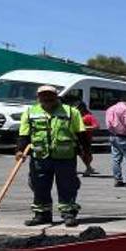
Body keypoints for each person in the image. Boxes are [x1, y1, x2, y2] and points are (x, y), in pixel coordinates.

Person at [17, 86, 88, 227]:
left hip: (65, 157)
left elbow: (81, 133)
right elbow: (24, 134)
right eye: (43, 95)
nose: (47, 98)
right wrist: (20, 150)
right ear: (38, 97)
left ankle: (68, 213)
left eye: (50, 95)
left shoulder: (71, 112)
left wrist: (86, 151)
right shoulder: (30, 112)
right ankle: (42, 214)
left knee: (67, 186)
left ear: (56, 96)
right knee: (39, 186)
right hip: (40, 157)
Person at [105, 95, 126, 188]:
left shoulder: (110, 109)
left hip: (113, 136)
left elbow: (108, 125)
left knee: (116, 159)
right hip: (125, 137)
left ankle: (118, 180)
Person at [75, 100, 98, 176]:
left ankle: (88, 168)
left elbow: (96, 126)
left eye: (77, 108)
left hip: (85, 139)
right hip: (76, 138)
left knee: (85, 154)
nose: (76, 110)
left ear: (82, 108)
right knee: (78, 154)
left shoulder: (89, 116)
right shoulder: (77, 116)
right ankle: (88, 167)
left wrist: (84, 127)